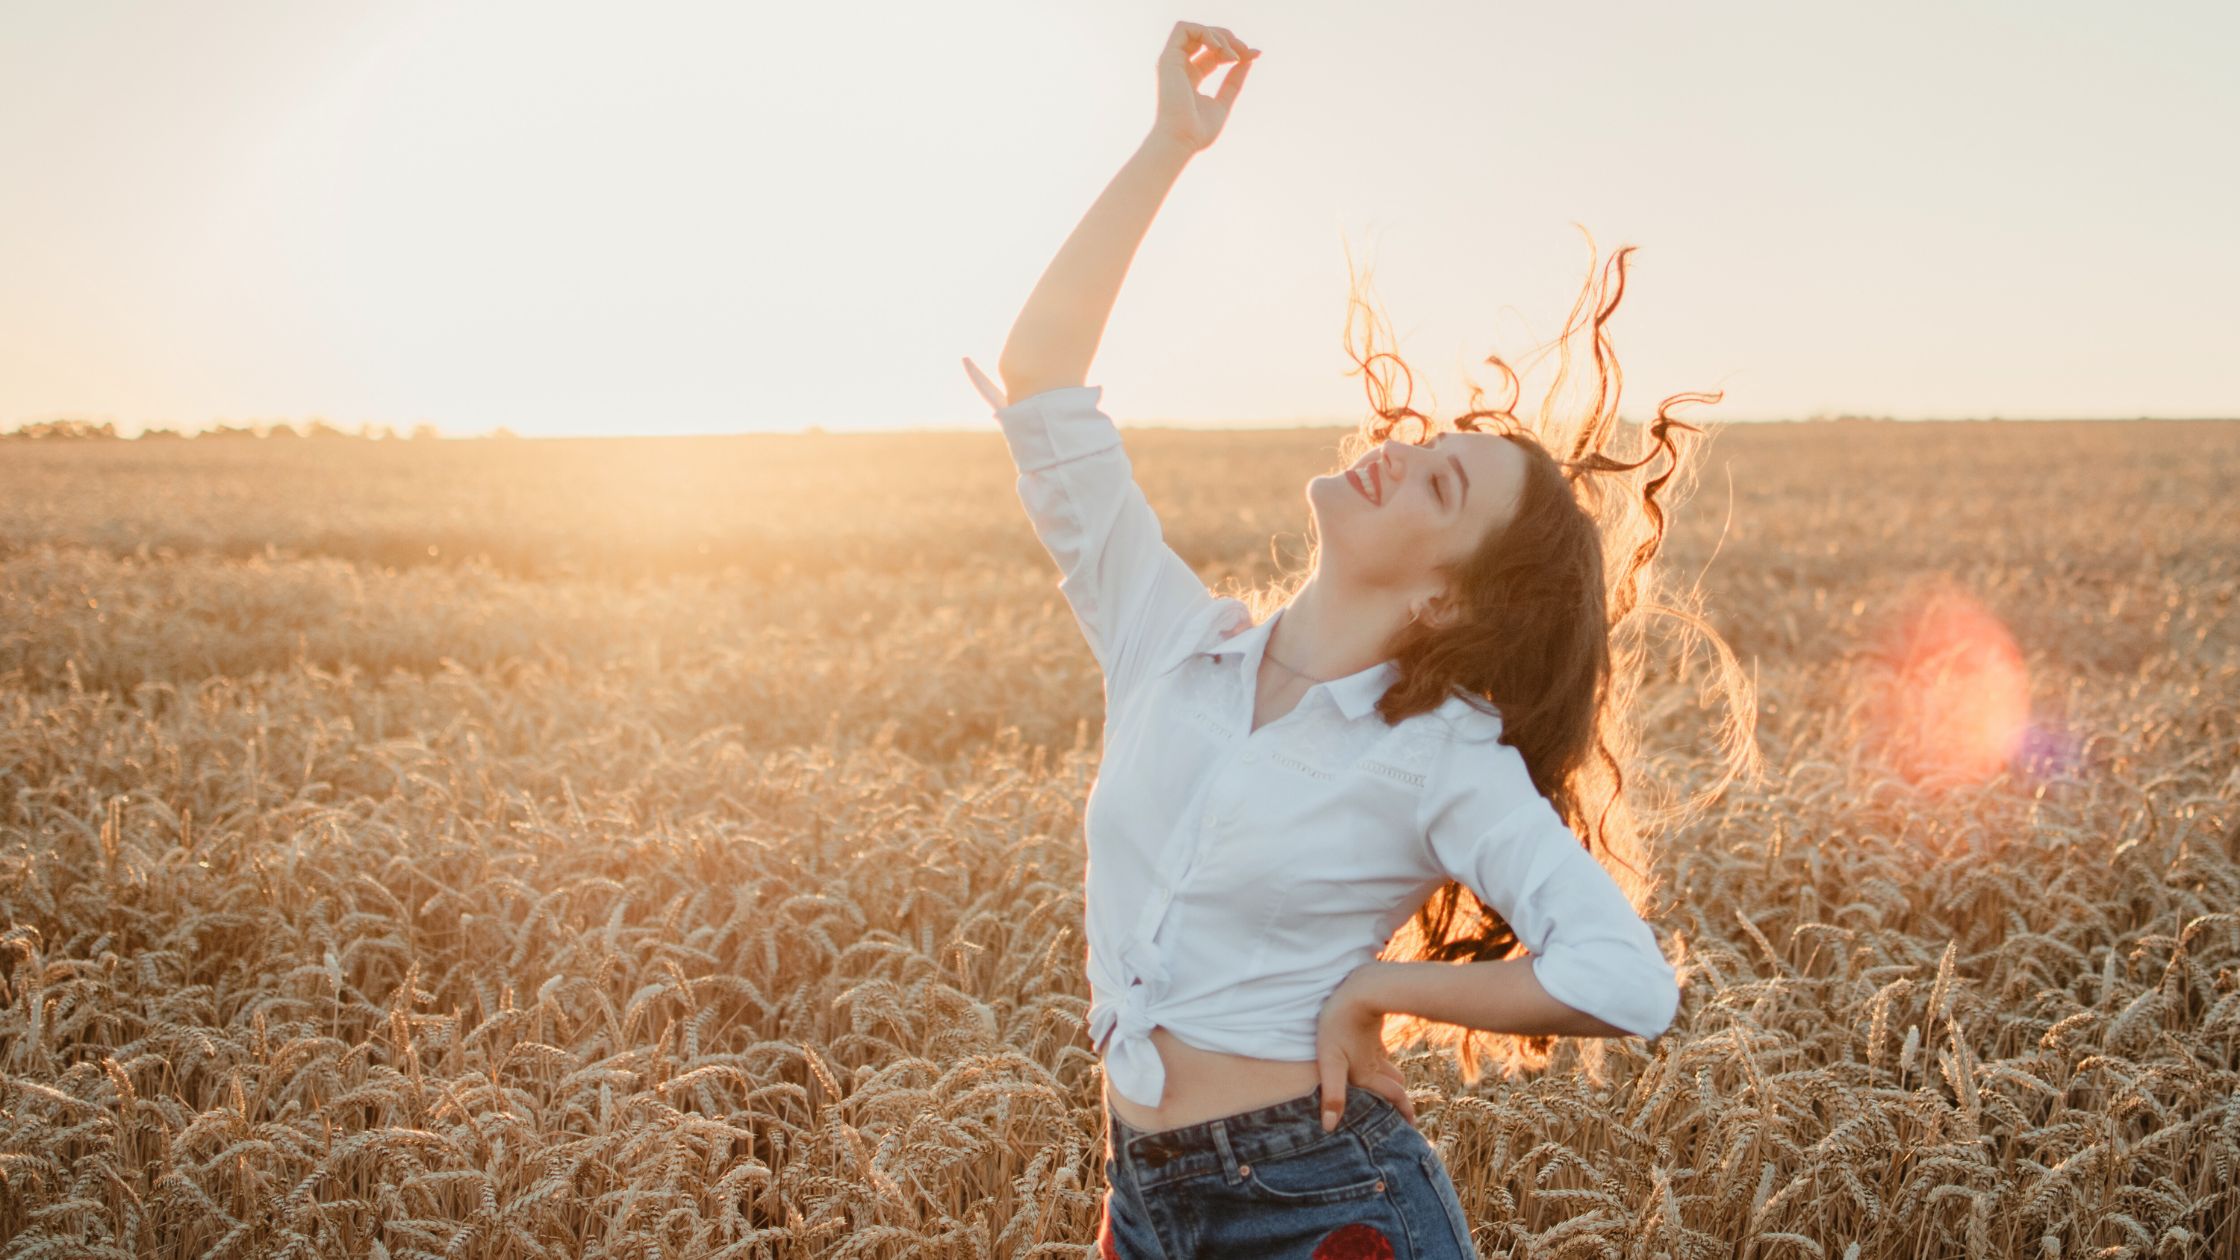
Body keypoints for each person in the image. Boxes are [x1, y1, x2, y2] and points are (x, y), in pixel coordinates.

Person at [964, 20, 1759, 1259]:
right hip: (1137, 1201)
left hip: (1323, 1209)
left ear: (1447, 603)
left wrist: (1382, 989)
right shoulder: (1170, 645)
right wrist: (1168, 145)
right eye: (1431, 445)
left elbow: (1625, 978)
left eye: (1440, 487)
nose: (1400, 453)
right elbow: (1042, 382)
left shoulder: (1440, 756)